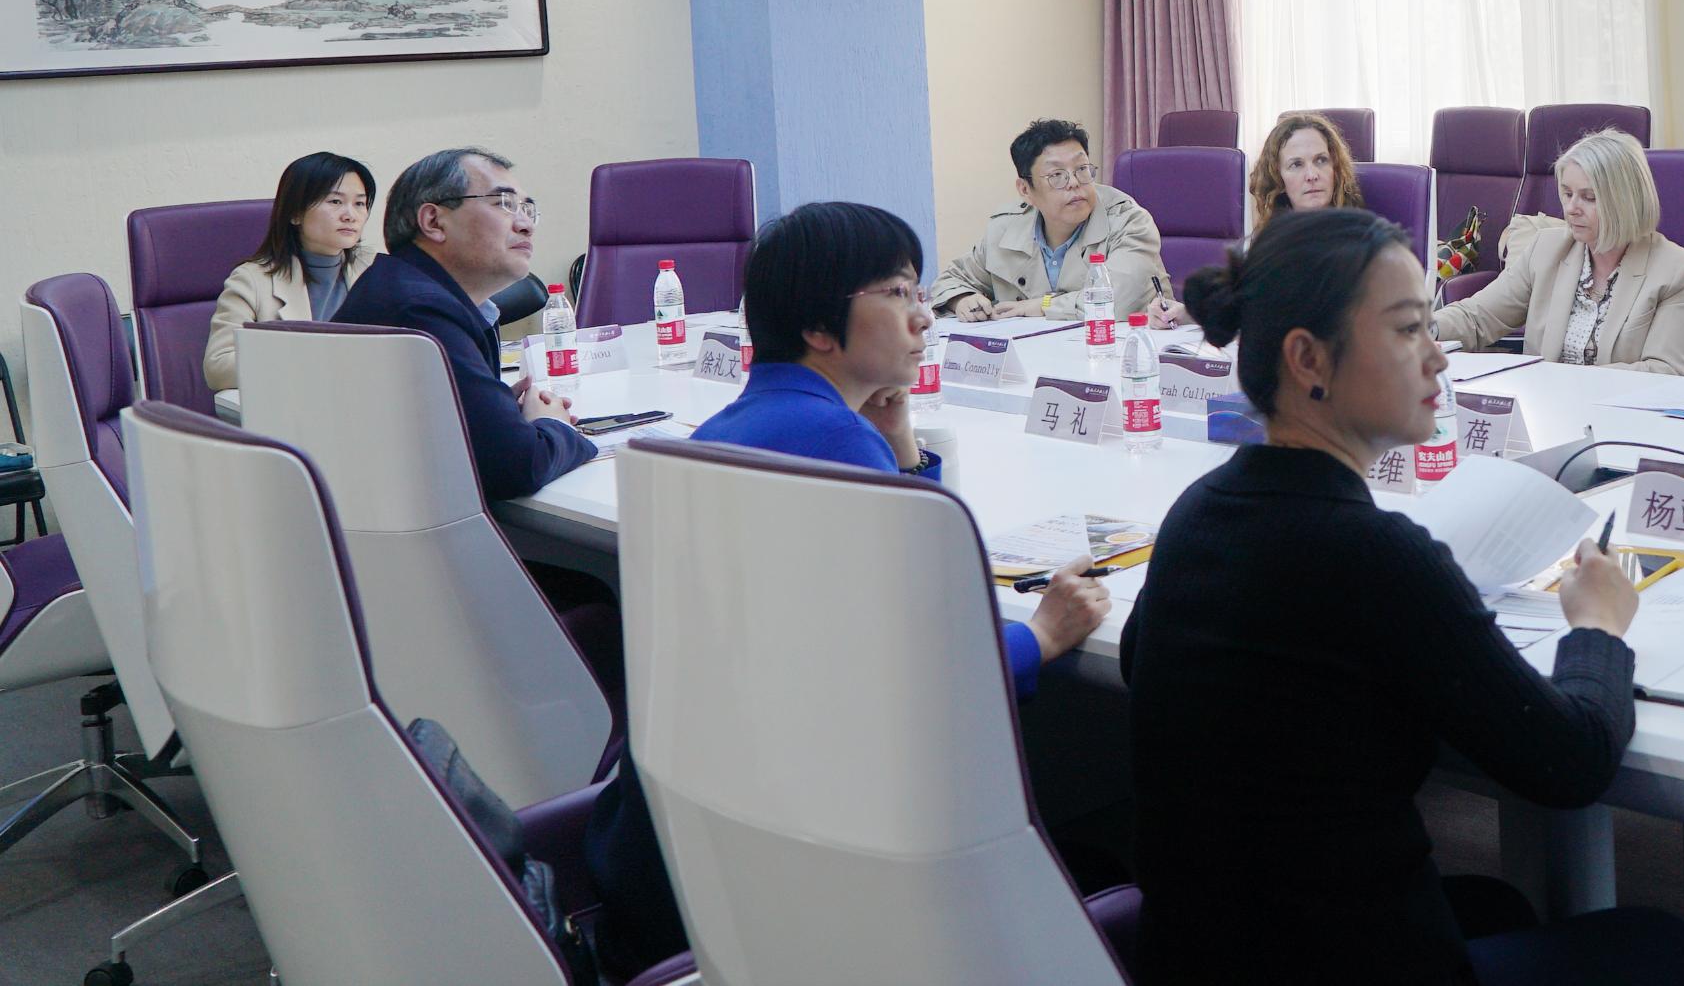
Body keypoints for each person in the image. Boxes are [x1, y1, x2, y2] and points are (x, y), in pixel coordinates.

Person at [1124, 208, 1684, 986]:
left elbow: (1143, 660)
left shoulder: (1195, 513)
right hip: (1342, 961)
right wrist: (1598, 628)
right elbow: (1570, 763)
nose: (1438, 357)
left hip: (1212, 952)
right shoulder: (1374, 553)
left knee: (1495, 905)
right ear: (1308, 358)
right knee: (1661, 945)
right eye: (1408, 330)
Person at [584, 200, 1109, 982]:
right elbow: (918, 665)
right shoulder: (830, 439)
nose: (923, 315)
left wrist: (899, 448)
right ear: (819, 328)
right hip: (812, 870)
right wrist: (1040, 634)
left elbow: (901, 581)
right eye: (896, 293)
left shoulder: (739, 425)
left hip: (684, 855)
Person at [335, 147, 591, 503]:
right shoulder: (421, 309)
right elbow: (517, 467)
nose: (526, 224)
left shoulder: (402, 287)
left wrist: (498, 410)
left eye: (528, 209)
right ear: (434, 222)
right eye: (503, 204)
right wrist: (554, 424)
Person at [1432, 129, 1684, 374]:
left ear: (1627, 202)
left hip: (1620, 413)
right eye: (1567, 193)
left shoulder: (1680, 272)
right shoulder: (1545, 248)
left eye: (1589, 197)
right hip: (1545, 409)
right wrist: (1422, 330)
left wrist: (1563, 382)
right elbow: (1477, 317)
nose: (1571, 208)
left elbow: (1667, 371)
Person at [930, 118, 1183, 326]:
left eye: (1082, 169)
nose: (1074, 182)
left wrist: (1042, 305)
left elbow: (1116, 301)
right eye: (1057, 175)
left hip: (1121, 354)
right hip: (1036, 358)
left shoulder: (1129, 222)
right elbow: (951, 280)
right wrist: (963, 299)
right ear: (1025, 190)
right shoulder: (1006, 229)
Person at [202, 151, 379, 391]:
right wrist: (309, 359)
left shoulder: (375, 269)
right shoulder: (252, 280)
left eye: (359, 203)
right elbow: (218, 367)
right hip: (291, 403)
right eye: (335, 202)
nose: (351, 215)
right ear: (295, 213)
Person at [1249, 110, 1365, 232]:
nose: (1312, 175)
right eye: (1296, 165)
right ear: (1278, 178)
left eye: (1321, 160)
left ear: (1336, 169)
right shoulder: (1269, 240)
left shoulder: (1364, 235)